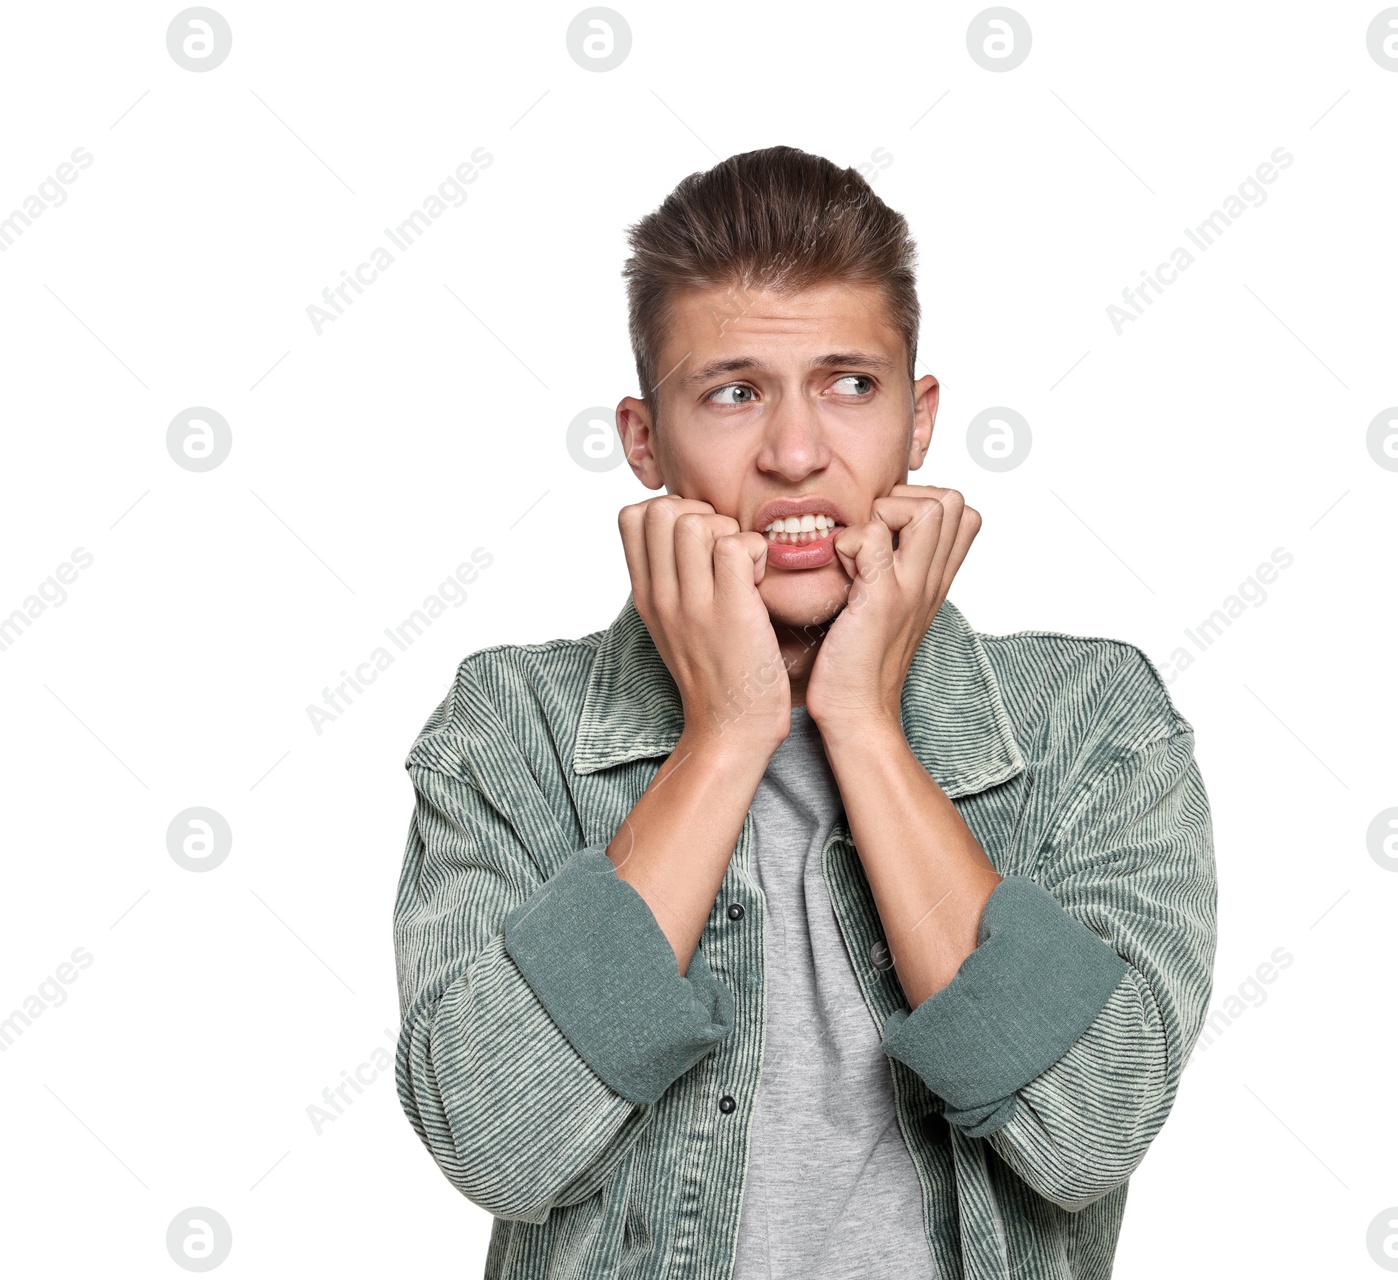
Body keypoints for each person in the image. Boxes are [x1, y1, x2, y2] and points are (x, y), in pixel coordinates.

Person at [392, 144, 1217, 1280]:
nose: (793, 453)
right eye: (732, 393)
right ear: (646, 441)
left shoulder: (1091, 724)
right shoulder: (513, 727)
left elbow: (1086, 1128)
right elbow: (497, 1139)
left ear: (917, 421)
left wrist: (866, 726)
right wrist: (727, 734)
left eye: (848, 384)